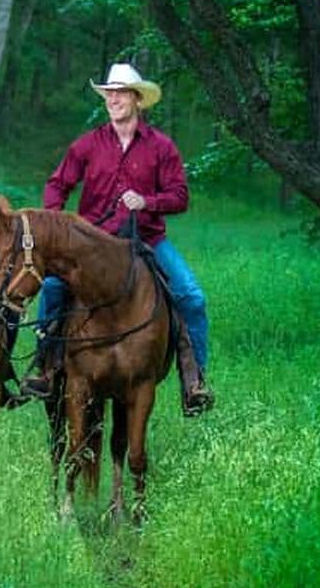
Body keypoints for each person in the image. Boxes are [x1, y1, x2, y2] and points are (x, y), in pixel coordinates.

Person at [21, 62, 214, 417]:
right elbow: (57, 184)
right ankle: (46, 368)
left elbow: (180, 196)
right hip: (93, 245)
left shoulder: (161, 147)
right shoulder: (88, 144)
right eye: (109, 93)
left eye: (121, 92)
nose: (113, 99)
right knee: (51, 288)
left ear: (137, 99)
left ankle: (193, 378)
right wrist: (59, 223)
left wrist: (148, 201)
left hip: (146, 241)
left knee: (191, 296)